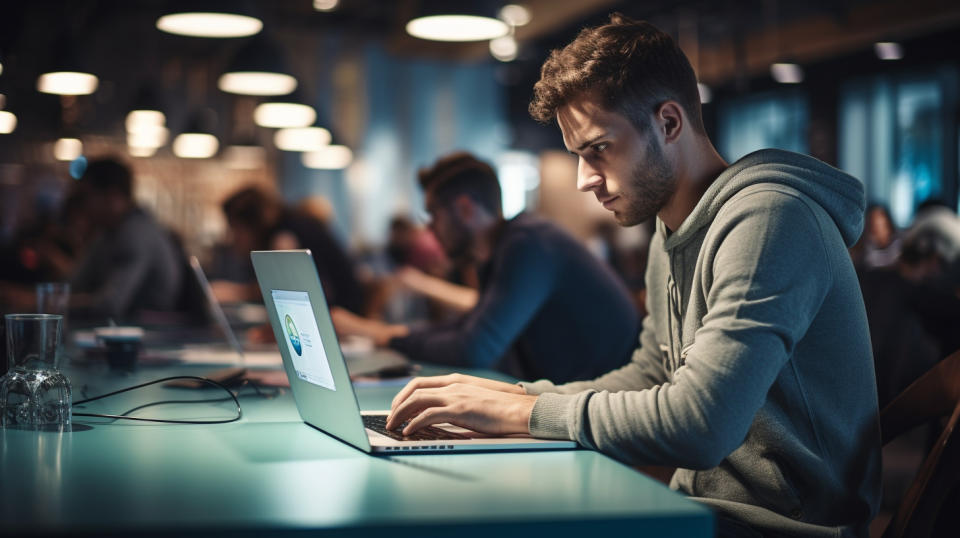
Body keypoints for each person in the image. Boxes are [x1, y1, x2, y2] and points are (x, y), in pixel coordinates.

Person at [384, 15, 880, 537]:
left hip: (778, 527)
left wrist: (524, 415)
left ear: (668, 123)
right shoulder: (673, 227)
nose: (583, 180)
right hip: (696, 508)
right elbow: (650, 374)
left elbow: (701, 426)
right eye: (577, 155)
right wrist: (515, 398)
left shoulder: (771, 218)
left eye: (598, 149)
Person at [332, 152, 639, 384]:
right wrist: (384, 333)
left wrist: (384, 336)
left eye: (433, 215)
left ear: (465, 209)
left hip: (606, 412)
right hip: (573, 399)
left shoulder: (529, 244)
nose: (430, 230)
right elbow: (469, 326)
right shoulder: (506, 247)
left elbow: (474, 348)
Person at [215, 187, 365, 314]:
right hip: (336, 313)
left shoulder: (284, 236)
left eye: (235, 229)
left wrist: (235, 292)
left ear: (252, 224)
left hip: (338, 318)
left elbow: (285, 290)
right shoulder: (295, 223)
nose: (233, 237)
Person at [69, 158, 184, 321]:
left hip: (151, 336)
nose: (83, 206)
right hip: (123, 331)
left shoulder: (136, 234)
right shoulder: (108, 232)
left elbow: (110, 305)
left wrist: (46, 301)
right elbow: (76, 284)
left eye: (87, 196)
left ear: (113, 195)